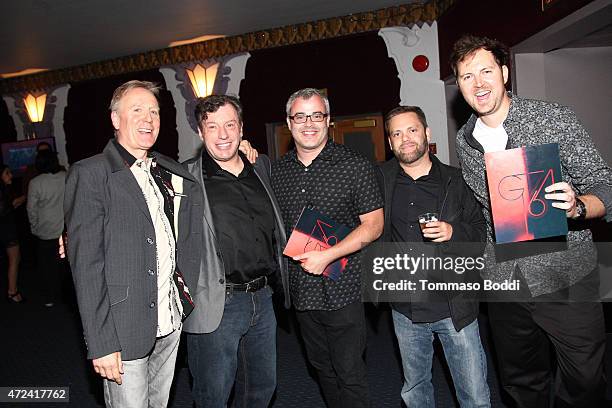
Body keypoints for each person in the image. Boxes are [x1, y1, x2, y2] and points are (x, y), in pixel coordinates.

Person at [450, 35, 612, 407]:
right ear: (459, 86)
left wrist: (578, 207)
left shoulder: (553, 117)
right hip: (506, 280)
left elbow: (605, 182)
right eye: (466, 77)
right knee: (521, 382)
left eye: (486, 71)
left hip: (565, 274)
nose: (479, 84)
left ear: (504, 73)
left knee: (585, 381)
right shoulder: (464, 140)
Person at [64, 80, 196, 408]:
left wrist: (245, 151)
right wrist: (101, 343)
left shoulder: (167, 170)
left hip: (169, 319)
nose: (148, 118)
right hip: (122, 329)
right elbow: (87, 267)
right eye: (136, 110)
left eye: (154, 111)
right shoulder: (91, 173)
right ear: (115, 119)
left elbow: (206, 173)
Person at [271, 88, 384, 408]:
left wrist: (329, 255)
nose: (309, 123)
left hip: (344, 287)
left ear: (329, 121)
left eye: (317, 115)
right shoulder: (276, 172)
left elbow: (374, 226)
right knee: (321, 367)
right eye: (301, 116)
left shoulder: (355, 166)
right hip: (301, 290)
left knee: (349, 372)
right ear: (289, 123)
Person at [181, 94, 290, 408]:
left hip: (264, 299)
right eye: (212, 127)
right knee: (213, 395)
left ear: (242, 128)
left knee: (261, 389)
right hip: (217, 303)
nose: (223, 134)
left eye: (230, 124)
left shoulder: (261, 168)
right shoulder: (186, 179)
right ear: (200, 133)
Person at [379, 105, 489, 407]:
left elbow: (481, 233)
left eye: (412, 130)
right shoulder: (380, 179)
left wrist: (453, 232)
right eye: (397, 133)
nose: (405, 139)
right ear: (390, 142)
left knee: (475, 396)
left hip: (456, 308)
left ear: (427, 133)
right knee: (415, 392)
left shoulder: (457, 180)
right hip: (406, 309)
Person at [27, 150, 66, 307]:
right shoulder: (65, 176)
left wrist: (34, 227)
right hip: (63, 228)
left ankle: (51, 297)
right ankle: (67, 296)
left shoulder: (35, 182)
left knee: (47, 266)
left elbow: (31, 209)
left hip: (45, 230)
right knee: (64, 265)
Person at [1, 164, 25, 303]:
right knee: (14, 260)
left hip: (7, 230)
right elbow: (6, 209)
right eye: (7, 173)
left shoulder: (6, 190)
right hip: (7, 231)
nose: (11, 175)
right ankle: (12, 291)